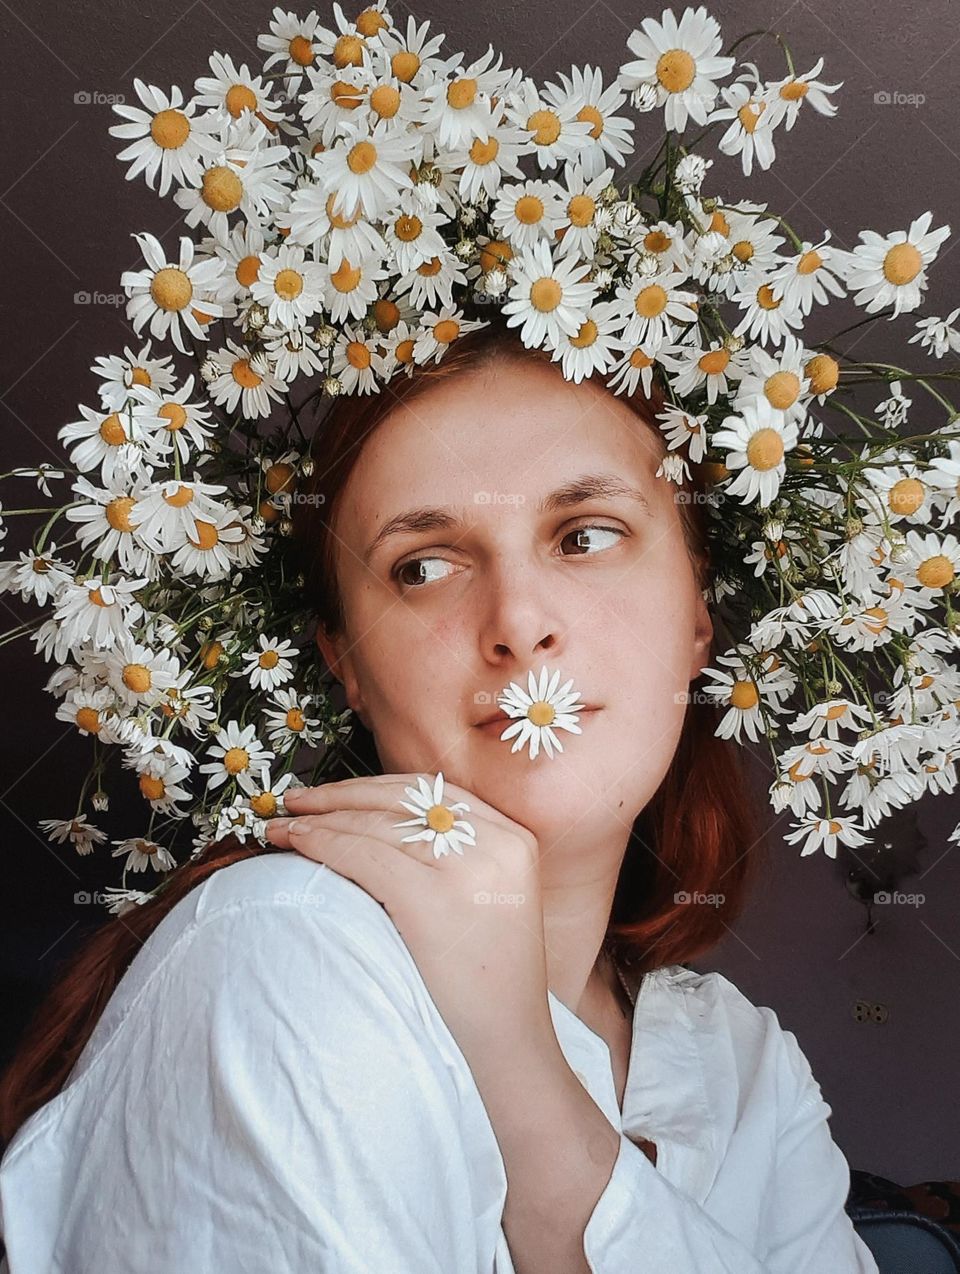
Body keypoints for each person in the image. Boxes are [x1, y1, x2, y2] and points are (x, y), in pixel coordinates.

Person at [0, 321, 879, 1272]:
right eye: (423, 566)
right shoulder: (286, 945)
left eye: (585, 536)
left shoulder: (749, 1066)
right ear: (348, 669)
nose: (518, 622)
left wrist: (527, 1078)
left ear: (697, 622)